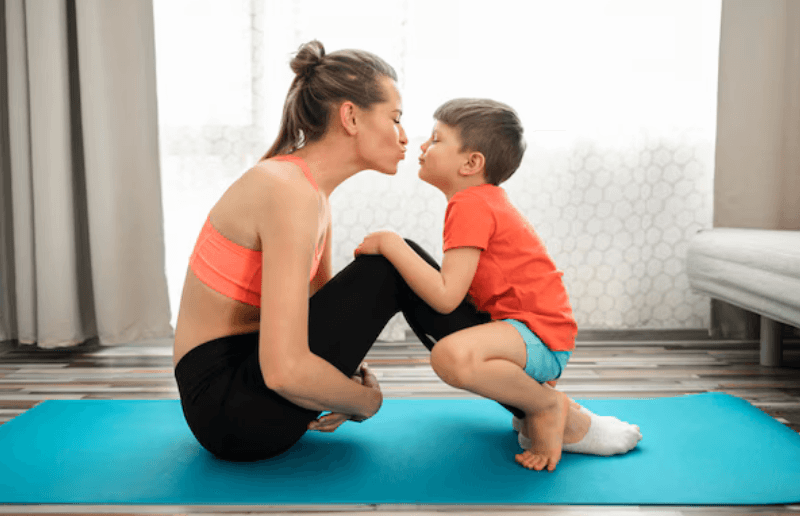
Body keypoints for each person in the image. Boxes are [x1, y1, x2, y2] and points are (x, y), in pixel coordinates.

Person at [355, 98, 642, 472]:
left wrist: (391, 243)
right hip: (528, 333)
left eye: (436, 139)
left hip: (538, 338)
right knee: (445, 333)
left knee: (450, 357)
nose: (422, 146)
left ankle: (546, 406)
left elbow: (445, 297)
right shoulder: (478, 201)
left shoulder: (471, 205)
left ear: (472, 163)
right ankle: (537, 407)